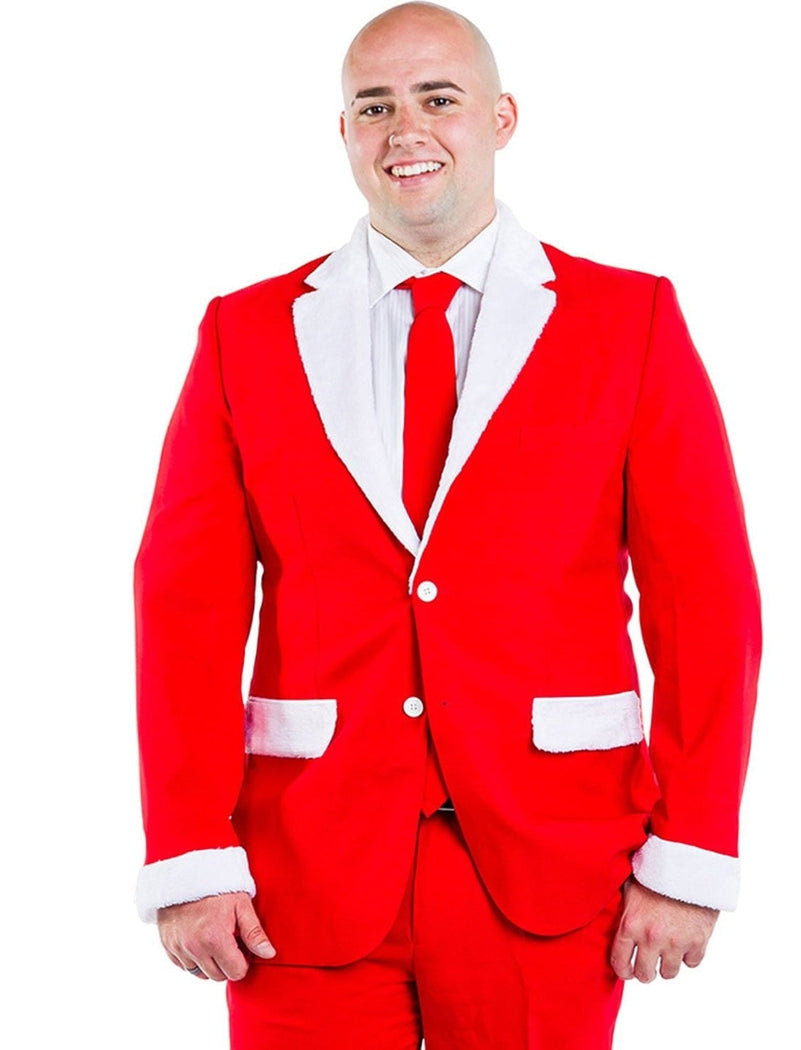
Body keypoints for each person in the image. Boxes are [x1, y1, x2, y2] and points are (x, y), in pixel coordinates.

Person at [134, 4, 762, 1047]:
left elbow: (706, 600)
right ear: (343, 131)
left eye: (438, 98)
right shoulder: (244, 331)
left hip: (556, 865)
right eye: (374, 106)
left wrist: (692, 853)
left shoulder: (630, 319)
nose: (405, 130)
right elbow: (183, 607)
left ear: (502, 117)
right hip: (300, 872)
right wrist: (189, 852)